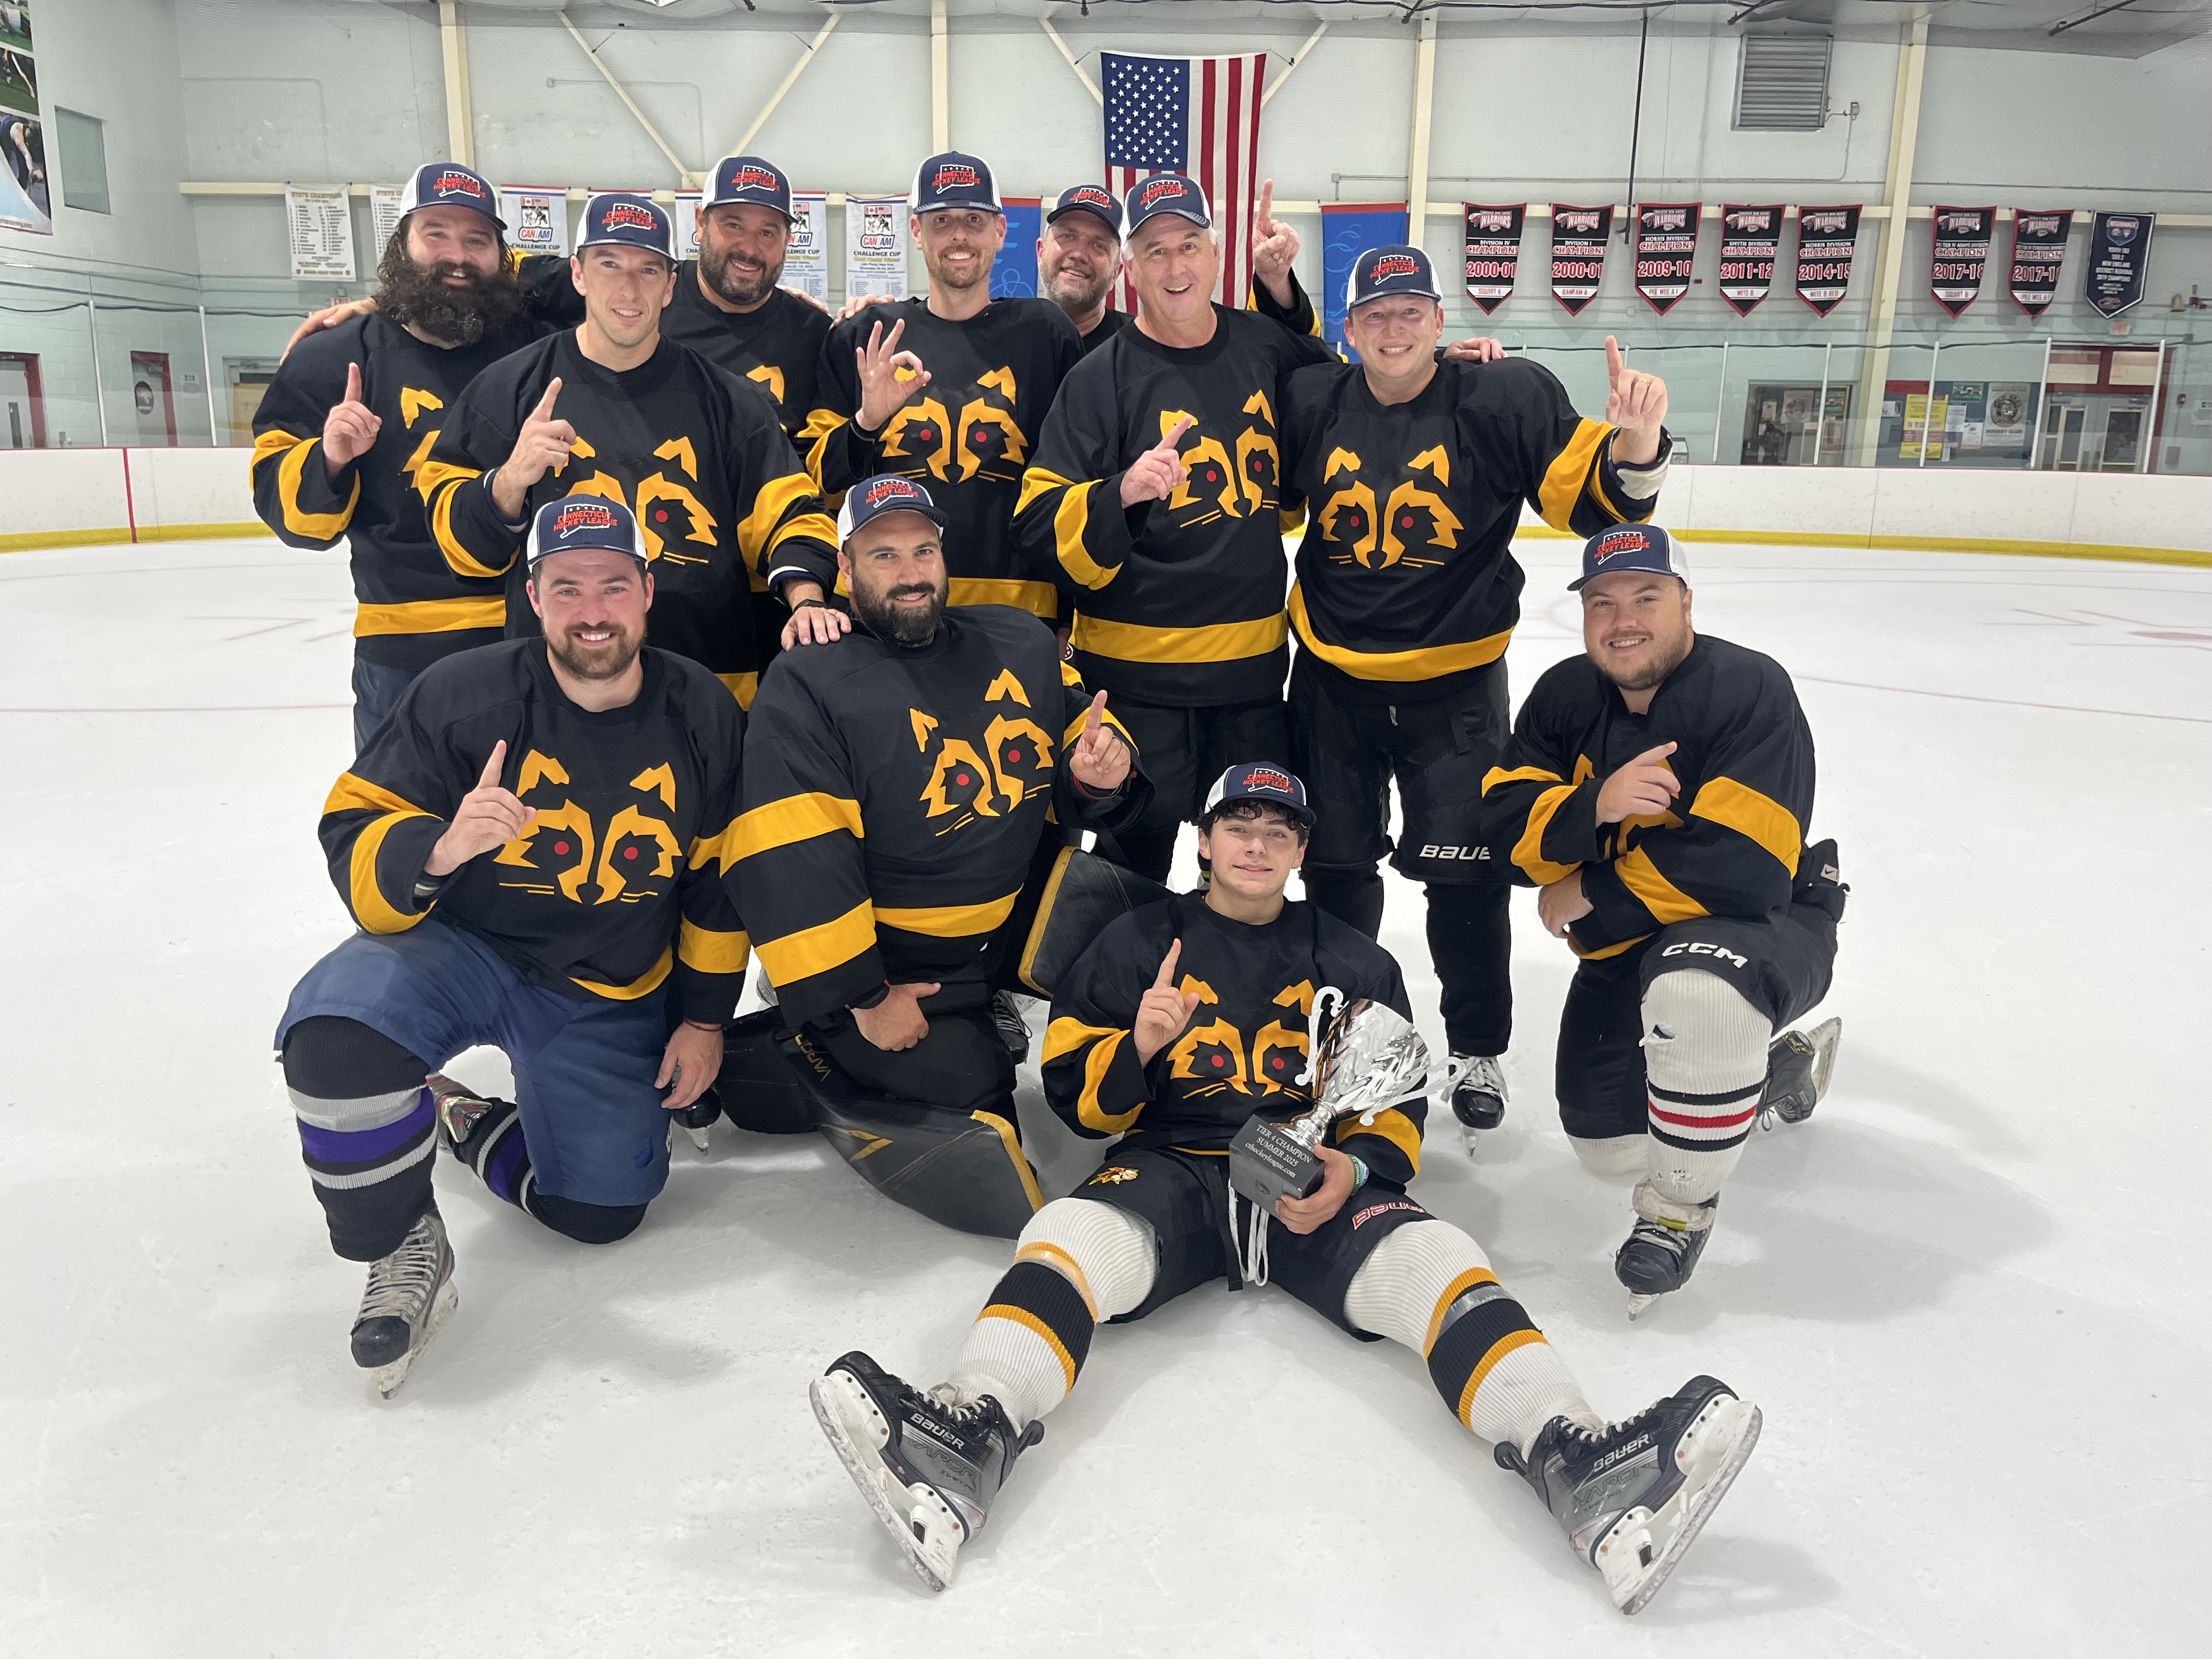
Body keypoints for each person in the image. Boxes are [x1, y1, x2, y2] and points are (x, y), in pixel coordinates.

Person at [807, 764, 1764, 1615]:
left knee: (1439, 1255)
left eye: (1279, 831)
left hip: (1309, 1174)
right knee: (1069, 1235)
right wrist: (1138, 1045)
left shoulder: (1354, 959)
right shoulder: (1136, 942)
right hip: (1174, 1164)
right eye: (1239, 826)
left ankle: (1579, 1459)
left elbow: (1394, 1097)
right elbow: (1077, 1101)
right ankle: (965, 1436)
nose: (1256, 846)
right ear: (1204, 839)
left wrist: (1358, 1166)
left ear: (1302, 850)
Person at [273, 498, 751, 1395]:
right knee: (336, 1036)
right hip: (465, 949)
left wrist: (703, 1021)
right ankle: (404, 1240)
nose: (592, 610)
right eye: (566, 587)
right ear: (533, 596)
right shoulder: (465, 693)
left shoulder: (703, 710)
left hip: (606, 982)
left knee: (600, 1212)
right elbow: (353, 820)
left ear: (648, 591)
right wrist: (440, 848)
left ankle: (462, 1119)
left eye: (613, 585)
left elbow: (718, 881)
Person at [1279, 246, 1675, 1136]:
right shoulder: (1312, 399)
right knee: (1337, 872)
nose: (1393, 329)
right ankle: (1346, 1040)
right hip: (1331, 684)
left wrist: (1635, 443)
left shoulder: (1502, 395)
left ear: (1438, 321)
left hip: (1454, 692)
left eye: (1409, 312)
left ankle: (1476, 1046)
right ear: (1349, 331)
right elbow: (1268, 487)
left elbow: (1594, 503)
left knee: (1467, 880)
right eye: (1374, 315)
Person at [732, 474, 1149, 1235]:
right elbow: (792, 860)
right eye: (883, 555)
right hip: (898, 963)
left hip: (1008, 917)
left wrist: (1100, 770)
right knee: (976, 1093)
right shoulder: (808, 682)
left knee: (1158, 950)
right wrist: (863, 998)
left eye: (923, 550)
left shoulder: (1019, 640)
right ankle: (805, 1034)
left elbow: (1077, 737)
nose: (911, 573)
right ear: (844, 568)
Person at [1481, 524, 1846, 1317]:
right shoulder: (1565, 695)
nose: (1624, 621)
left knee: (1698, 993)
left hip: (1768, 920)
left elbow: (1742, 869)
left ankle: (1679, 1210)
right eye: (1602, 603)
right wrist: (1597, 803)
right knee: (1608, 1147)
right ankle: (1771, 1075)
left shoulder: (1749, 687)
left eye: (1646, 597)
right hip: (1637, 938)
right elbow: (1502, 831)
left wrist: (1588, 891)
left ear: (1685, 603)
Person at [1014, 176, 1332, 884]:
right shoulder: (1099, 378)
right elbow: (1036, 520)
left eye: (1189, 244)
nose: (1175, 265)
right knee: (1133, 880)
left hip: (1250, 686)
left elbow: (1353, 393)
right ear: (1130, 268)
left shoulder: (1264, 345)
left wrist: (1452, 375)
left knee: (1246, 876)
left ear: (1216, 254)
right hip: (1132, 690)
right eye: (1155, 250)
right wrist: (1120, 494)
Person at [413, 193, 839, 708]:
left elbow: (790, 512)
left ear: (670, 287)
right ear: (578, 274)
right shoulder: (510, 389)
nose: (629, 287)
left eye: (648, 270)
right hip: (559, 693)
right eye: (609, 264)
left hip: (710, 686)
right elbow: (458, 546)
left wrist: (807, 599)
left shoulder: (729, 400)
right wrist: (508, 482)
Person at [250, 162, 545, 749]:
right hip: (404, 654)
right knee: (401, 804)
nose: (457, 256)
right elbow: (290, 518)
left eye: (477, 241)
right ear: (401, 244)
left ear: (501, 257)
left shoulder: (539, 346)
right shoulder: (331, 357)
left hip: (535, 636)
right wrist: (330, 459)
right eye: (436, 234)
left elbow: (621, 286)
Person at [797, 153, 1082, 626]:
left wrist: (1068, 617)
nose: (958, 236)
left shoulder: (1045, 335)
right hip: (891, 608)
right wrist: (866, 424)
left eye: (974, 220)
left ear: (1000, 231)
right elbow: (814, 483)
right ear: (916, 232)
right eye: (942, 221)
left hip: (1019, 612)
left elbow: (1076, 481)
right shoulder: (867, 335)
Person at [1036, 184, 1132, 356]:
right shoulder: (1003, 337)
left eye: (1099, 245)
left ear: (1115, 274)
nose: (1079, 254)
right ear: (1041, 252)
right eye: (1068, 237)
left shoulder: (1138, 350)